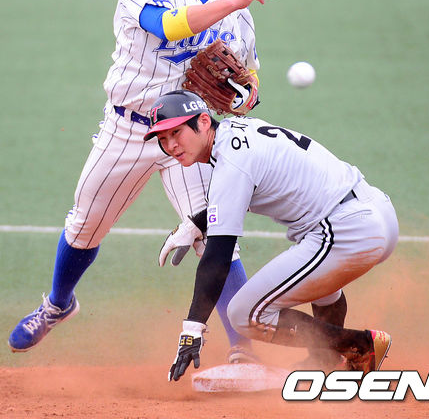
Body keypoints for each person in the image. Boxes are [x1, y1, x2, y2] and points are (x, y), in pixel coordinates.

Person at [8, 0, 279, 365]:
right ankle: (58, 304)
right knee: (85, 226)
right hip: (128, 128)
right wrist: (233, 1)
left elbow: (249, 72)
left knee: (214, 233)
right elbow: (169, 25)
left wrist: (247, 93)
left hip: (190, 139)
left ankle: (243, 350)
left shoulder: (238, 11)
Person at [141, 90, 399, 381]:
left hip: (348, 231)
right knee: (320, 278)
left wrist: (193, 328)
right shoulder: (238, 132)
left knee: (244, 314)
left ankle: (360, 346)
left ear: (202, 121)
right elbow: (240, 189)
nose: (171, 145)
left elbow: (218, 257)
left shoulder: (230, 162)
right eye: (163, 138)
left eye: (176, 132)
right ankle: (325, 360)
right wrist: (196, 224)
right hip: (375, 213)